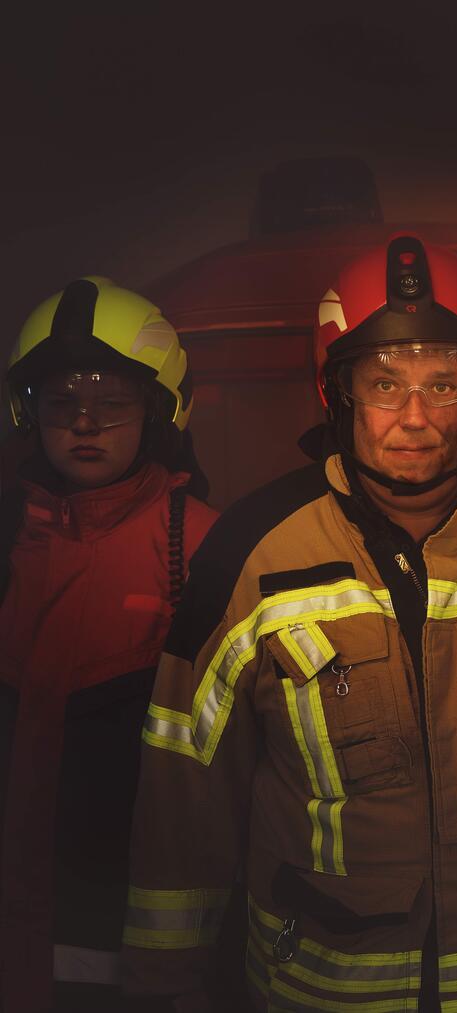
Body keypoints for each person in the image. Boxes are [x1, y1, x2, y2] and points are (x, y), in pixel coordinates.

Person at [120, 235, 457, 1013]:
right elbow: (183, 788)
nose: (414, 417)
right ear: (336, 391)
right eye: (383, 383)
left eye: (443, 384)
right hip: (327, 992)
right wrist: (168, 985)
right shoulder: (255, 553)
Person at [0, 277, 216, 1012]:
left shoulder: (206, 546)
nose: (84, 423)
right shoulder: (10, 538)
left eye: (112, 404)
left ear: (160, 412)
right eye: (62, 404)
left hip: (131, 927)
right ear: (27, 413)